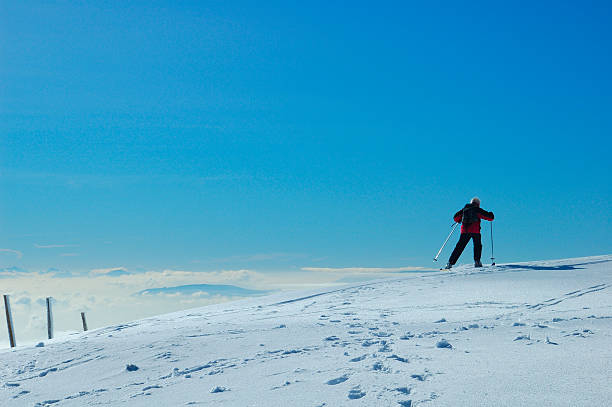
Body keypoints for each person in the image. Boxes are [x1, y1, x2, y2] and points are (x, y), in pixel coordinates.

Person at [444, 197, 494, 269]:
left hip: (464, 231)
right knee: (477, 245)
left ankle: (450, 263)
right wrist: (491, 214)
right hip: (475, 230)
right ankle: (477, 261)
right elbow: (489, 217)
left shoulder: (464, 209)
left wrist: (459, 220)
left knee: (459, 247)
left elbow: (455, 218)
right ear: (478, 204)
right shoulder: (477, 209)